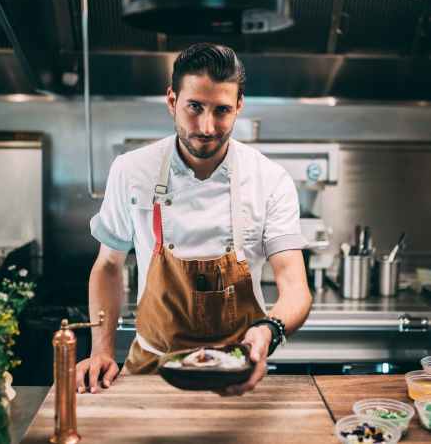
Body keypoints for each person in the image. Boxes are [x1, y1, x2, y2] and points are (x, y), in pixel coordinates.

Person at [76, 43, 312, 396]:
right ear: (172, 100)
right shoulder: (130, 170)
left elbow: (295, 286)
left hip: (239, 371)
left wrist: (269, 331)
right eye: (195, 107)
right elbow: (108, 266)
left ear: (239, 106)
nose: (206, 126)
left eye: (221, 110)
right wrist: (102, 350)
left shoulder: (269, 179)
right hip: (150, 371)